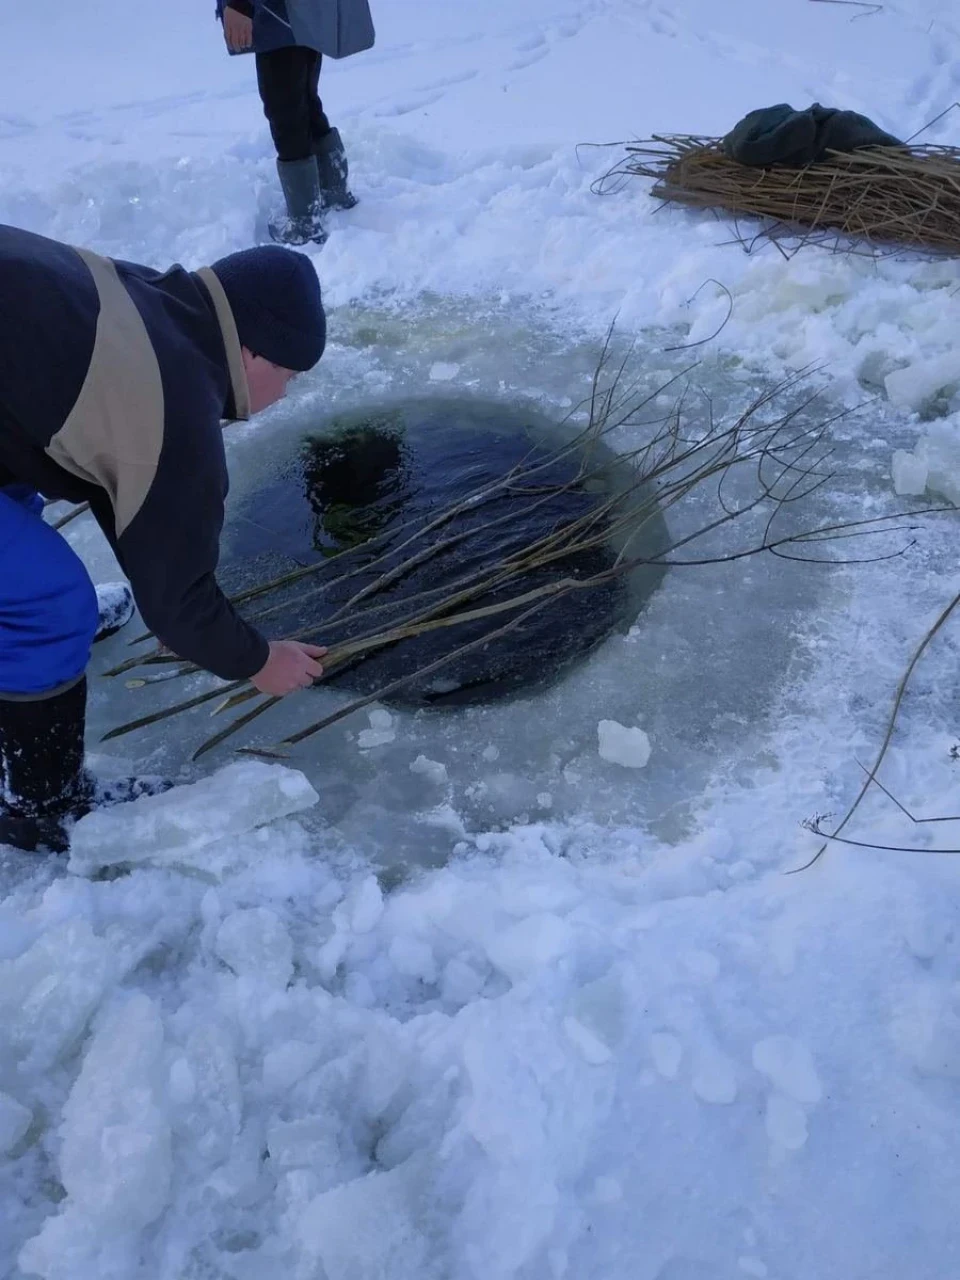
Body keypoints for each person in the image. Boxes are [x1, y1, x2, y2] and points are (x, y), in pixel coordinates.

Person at [0, 223, 329, 853]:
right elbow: (177, 605)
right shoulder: (173, 406)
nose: (284, 396)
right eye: (289, 376)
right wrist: (258, 660)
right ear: (255, 353)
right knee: (49, 602)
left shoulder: (151, 300)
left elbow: (107, 472)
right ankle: (42, 807)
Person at [216, 0, 375, 246]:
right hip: (303, 12)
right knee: (303, 99)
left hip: (275, 12)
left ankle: (305, 222)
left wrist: (238, 5)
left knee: (285, 111)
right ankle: (333, 193)